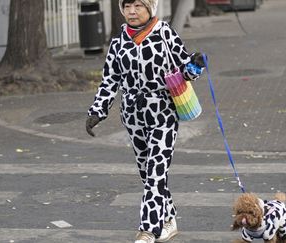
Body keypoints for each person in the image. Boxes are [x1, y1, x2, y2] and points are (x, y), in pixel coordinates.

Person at [86, 0, 205, 242]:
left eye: (138, 5)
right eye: (127, 5)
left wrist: (195, 64)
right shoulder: (118, 40)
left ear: (151, 7)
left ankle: (148, 230)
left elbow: (185, 71)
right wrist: (98, 110)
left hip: (163, 113)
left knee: (155, 173)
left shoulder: (164, 33)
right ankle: (169, 218)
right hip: (132, 116)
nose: (131, 11)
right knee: (147, 173)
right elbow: (110, 79)